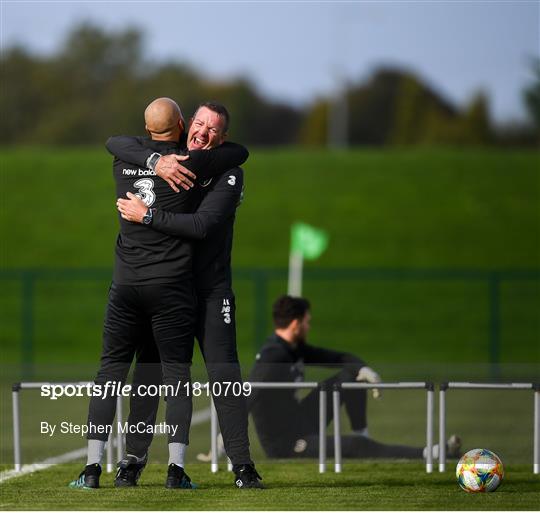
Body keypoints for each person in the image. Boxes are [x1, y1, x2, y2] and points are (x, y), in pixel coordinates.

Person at [69, 98, 250, 490]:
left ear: (222, 136)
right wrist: (156, 163)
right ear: (185, 125)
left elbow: (204, 222)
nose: (204, 132)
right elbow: (118, 141)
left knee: (223, 374)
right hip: (172, 287)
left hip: (207, 288)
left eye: (213, 129)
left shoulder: (222, 168)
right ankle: (136, 461)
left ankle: (242, 466)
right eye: (199, 124)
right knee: (150, 376)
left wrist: (147, 214)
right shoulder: (172, 157)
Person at [247, 295, 461, 460]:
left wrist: (364, 370)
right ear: (295, 324)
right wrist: (228, 438)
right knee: (353, 446)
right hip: (286, 442)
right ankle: (430, 454)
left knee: (351, 376)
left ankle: (363, 434)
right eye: (307, 322)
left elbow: (341, 357)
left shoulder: (294, 348)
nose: (309, 327)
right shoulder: (273, 355)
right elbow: (251, 390)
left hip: (301, 419)